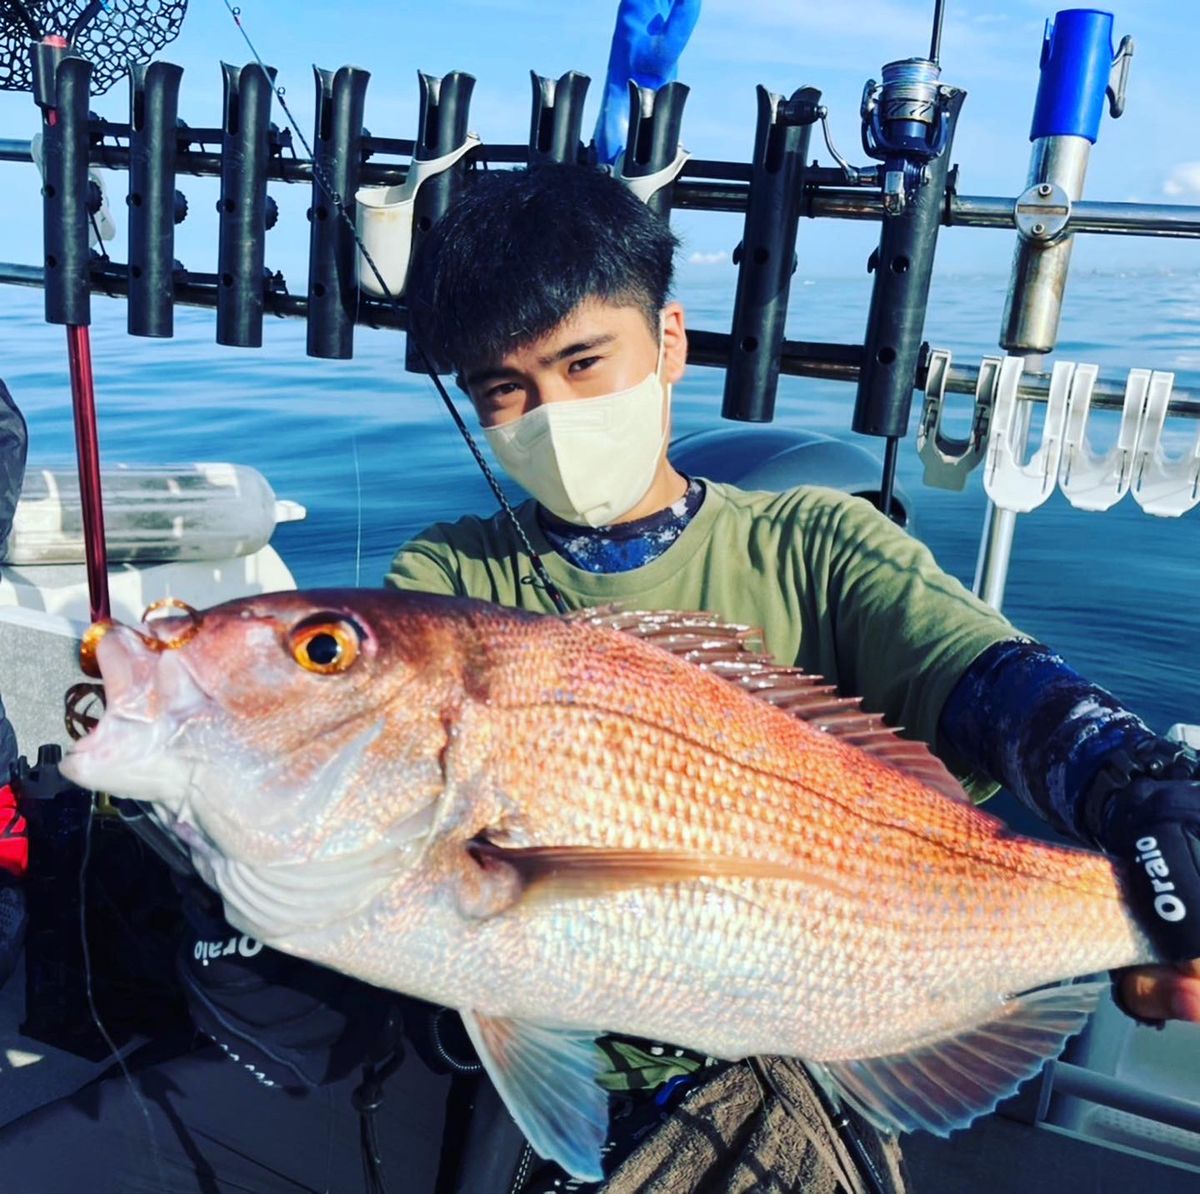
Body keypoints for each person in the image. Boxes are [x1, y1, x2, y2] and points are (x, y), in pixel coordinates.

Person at [1, 164, 1197, 1194]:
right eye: (506, 389)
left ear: (668, 342)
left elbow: (995, 685)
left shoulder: (816, 544)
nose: (549, 411)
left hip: (792, 1044)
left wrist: (1137, 803)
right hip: (468, 1052)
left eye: (584, 360)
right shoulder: (444, 579)